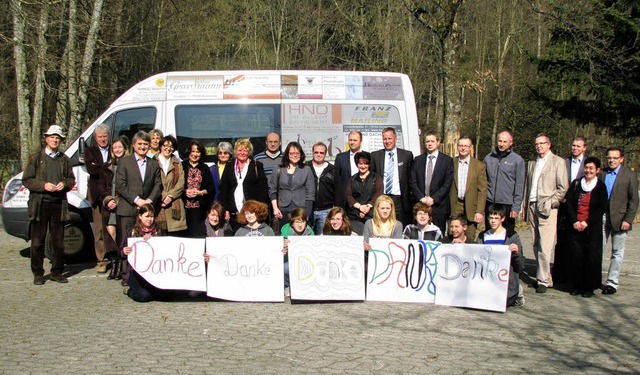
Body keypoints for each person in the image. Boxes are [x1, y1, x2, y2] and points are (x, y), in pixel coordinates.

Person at [23, 125, 76, 285]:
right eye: (52, 137)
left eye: (57, 137)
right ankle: (38, 273)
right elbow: (27, 180)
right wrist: (43, 185)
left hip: (58, 204)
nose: (55, 140)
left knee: (58, 242)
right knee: (38, 241)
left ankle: (57, 271)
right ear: (46, 138)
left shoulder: (64, 159)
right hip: (40, 204)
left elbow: (71, 179)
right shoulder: (36, 158)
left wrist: (64, 184)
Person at [115, 131, 162, 285]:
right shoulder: (124, 162)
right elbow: (120, 185)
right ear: (134, 145)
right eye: (140, 144)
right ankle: (126, 274)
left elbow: (157, 184)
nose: (142, 147)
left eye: (145, 144)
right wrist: (137, 200)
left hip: (147, 209)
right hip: (128, 208)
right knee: (127, 241)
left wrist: (148, 201)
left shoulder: (153, 163)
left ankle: (144, 272)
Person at [524, 133, 568, 294]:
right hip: (532, 205)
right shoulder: (532, 163)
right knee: (535, 243)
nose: (539, 146)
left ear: (548, 144)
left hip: (547, 207)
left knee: (545, 245)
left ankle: (542, 280)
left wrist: (551, 203)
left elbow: (563, 188)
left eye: (542, 143)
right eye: (536, 144)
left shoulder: (558, 162)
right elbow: (527, 186)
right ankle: (545, 277)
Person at [564, 157, 608, 298]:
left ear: (597, 170)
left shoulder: (600, 186)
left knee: (591, 258)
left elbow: (601, 208)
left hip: (592, 228)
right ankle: (576, 285)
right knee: (576, 257)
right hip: (576, 226)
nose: (588, 170)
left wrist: (587, 222)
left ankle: (589, 287)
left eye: (591, 168)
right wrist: (575, 221)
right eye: (586, 167)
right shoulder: (576, 184)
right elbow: (569, 203)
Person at [600, 147, 639, 295]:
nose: (612, 160)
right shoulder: (602, 173)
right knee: (598, 249)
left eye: (615, 158)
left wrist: (628, 219)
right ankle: (594, 277)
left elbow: (634, 200)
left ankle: (612, 282)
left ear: (621, 159)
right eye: (609, 157)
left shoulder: (629, 175)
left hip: (621, 218)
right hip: (603, 217)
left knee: (617, 252)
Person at [554, 135, 588, 285]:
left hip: (580, 207)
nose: (575, 148)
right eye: (573, 145)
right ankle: (560, 274)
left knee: (576, 242)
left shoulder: (588, 164)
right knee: (561, 241)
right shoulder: (564, 162)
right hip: (564, 205)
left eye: (578, 146)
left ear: (584, 148)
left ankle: (575, 275)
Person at [477, 204, 525, 307]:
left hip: (505, 281)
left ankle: (517, 293)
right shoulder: (482, 236)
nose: (493, 221)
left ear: (502, 219)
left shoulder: (512, 236)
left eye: (496, 218)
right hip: (487, 280)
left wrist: (516, 253)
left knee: (499, 303)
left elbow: (520, 265)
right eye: (491, 218)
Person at [121, 203, 171, 302]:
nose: (150, 219)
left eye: (152, 216)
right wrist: (124, 251)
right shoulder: (132, 232)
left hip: (156, 270)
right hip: (136, 272)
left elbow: (167, 250)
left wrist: (153, 239)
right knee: (144, 296)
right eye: (147, 216)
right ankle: (130, 291)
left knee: (166, 296)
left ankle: (152, 291)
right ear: (140, 216)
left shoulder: (160, 231)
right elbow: (121, 253)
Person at [218, 138, 269, 231]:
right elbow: (224, 189)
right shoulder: (229, 166)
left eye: (245, 150)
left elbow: (263, 189)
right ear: (235, 151)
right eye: (240, 150)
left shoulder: (257, 165)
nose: (242, 153)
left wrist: (259, 209)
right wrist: (225, 209)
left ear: (249, 152)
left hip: (253, 213)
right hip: (234, 213)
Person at [97, 135, 129, 280]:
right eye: (115, 147)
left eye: (120, 147)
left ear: (125, 148)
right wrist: (108, 200)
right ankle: (114, 264)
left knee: (123, 236)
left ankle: (122, 267)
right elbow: (101, 187)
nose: (117, 149)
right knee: (111, 236)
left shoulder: (129, 164)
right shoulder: (107, 166)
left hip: (123, 205)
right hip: (110, 207)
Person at [410, 131, 454, 235]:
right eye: (427, 141)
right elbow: (412, 182)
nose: (429, 144)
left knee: (438, 236)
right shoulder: (417, 160)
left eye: (432, 141)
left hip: (439, 207)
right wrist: (422, 198)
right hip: (421, 205)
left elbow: (447, 183)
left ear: (438, 142)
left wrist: (433, 199)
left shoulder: (447, 161)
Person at [483, 130, 526, 232]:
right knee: (489, 233)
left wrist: (516, 207)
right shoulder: (488, 158)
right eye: (500, 141)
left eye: (504, 142)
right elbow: (483, 181)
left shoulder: (517, 160)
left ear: (511, 143)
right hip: (490, 203)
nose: (501, 144)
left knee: (507, 234)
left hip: (507, 204)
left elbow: (520, 185)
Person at [371, 127, 414, 225]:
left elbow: (410, 178)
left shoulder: (406, 155)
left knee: (399, 227)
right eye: (384, 139)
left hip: (400, 200)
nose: (387, 141)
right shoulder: (375, 156)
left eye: (389, 138)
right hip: (382, 198)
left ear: (395, 138)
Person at [269, 141, 315, 232]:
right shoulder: (278, 169)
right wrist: (275, 208)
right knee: (284, 236)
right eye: (292, 153)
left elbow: (310, 193)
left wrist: (307, 214)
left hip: (300, 211)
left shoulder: (306, 170)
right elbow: (272, 190)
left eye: (297, 153)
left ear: (301, 154)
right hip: (282, 210)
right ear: (287, 154)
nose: (295, 155)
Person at [83, 123, 111, 273]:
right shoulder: (89, 151)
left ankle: (115, 257)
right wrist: (107, 165)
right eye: (100, 137)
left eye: (105, 136)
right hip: (97, 196)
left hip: (112, 194)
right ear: (95, 138)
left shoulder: (115, 148)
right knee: (99, 229)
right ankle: (102, 260)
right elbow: (90, 169)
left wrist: (99, 166)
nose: (102, 139)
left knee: (113, 227)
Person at [448, 136, 487, 240]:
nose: (463, 148)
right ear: (457, 147)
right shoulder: (451, 163)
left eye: (466, 146)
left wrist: (479, 211)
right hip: (455, 205)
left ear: (471, 148)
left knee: (469, 237)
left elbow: (482, 190)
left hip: (471, 207)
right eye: (461, 145)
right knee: (453, 235)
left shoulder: (479, 166)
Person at [182, 140, 215, 237]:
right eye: (193, 151)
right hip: (183, 207)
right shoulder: (182, 166)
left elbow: (211, 188)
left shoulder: (204, 168)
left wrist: (199, 192)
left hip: (199, 209)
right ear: (189, 152)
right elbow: (177, 185)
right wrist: (185, 191)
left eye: (198, 152)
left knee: (197, 234)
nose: (195, 154)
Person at [346, 151, 383, 235]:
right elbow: (349, 195)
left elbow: (379, 193)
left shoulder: (376, 177)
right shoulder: (352, 179)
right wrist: (360, 207)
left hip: (372, 214)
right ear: (357, 164)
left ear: (369, 164)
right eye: (360, 163)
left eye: (365, 164)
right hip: (355, 216)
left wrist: (368, 207)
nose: (363, 166)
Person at [156, 135, 187, 235]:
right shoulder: (152, 162)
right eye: (165, 145)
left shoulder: (177, 163)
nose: (168, 149)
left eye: (171, 147)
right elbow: (151, 182)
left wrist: (170, 196)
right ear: (160, 146)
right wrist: (163, 196)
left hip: (174, 203)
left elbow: (181, 183)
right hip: (158, 203)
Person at [280, 208, 314, 296]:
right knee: (285, 267)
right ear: (292, 223)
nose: (300, 225)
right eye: (297, 222)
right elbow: (279, 253)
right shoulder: (285, 231)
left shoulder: (310, 232)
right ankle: (287, 285)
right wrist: (283, 248)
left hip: (306, 260)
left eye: (302, 222)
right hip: (290, 260)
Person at [307, 142, 338, 233]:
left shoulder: (332, 169)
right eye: (316, 152)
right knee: (307, 237)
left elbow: (336, 190)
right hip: (308, 209)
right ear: (312, 153)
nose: (318, 155)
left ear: (325, 154)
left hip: (325, 210)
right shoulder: (305, 167)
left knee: (322, 238)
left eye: (321, 153)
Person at [335, 130, 364, 207]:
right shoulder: (340, 157)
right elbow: (337, 181)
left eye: (355, 140)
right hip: (345, 201)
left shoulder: (368, 157)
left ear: (361, 142)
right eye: (350, 140)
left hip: (362, 199)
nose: (352, 142)